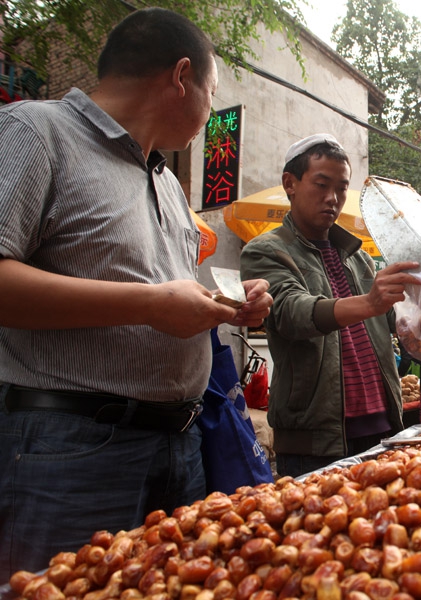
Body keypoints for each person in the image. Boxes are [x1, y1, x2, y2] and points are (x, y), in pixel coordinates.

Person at [0, 8, 274, 580]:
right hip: (73, 449)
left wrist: (225, 304)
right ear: (180, 77)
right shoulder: (37, 132)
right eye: (212, 90)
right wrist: (150, 306)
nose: (209, 110)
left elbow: (164, 288)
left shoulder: (168, 181)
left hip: (179, 445)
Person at [240, 134, 421, 477]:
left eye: (341, 188)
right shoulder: (266, 251)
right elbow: (292, 312)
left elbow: (391, 326)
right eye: (321, 184)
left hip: (383, 427)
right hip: (316, 443)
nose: (332, 198)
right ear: (289, 183)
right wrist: (370, 302)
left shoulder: (361, 260)